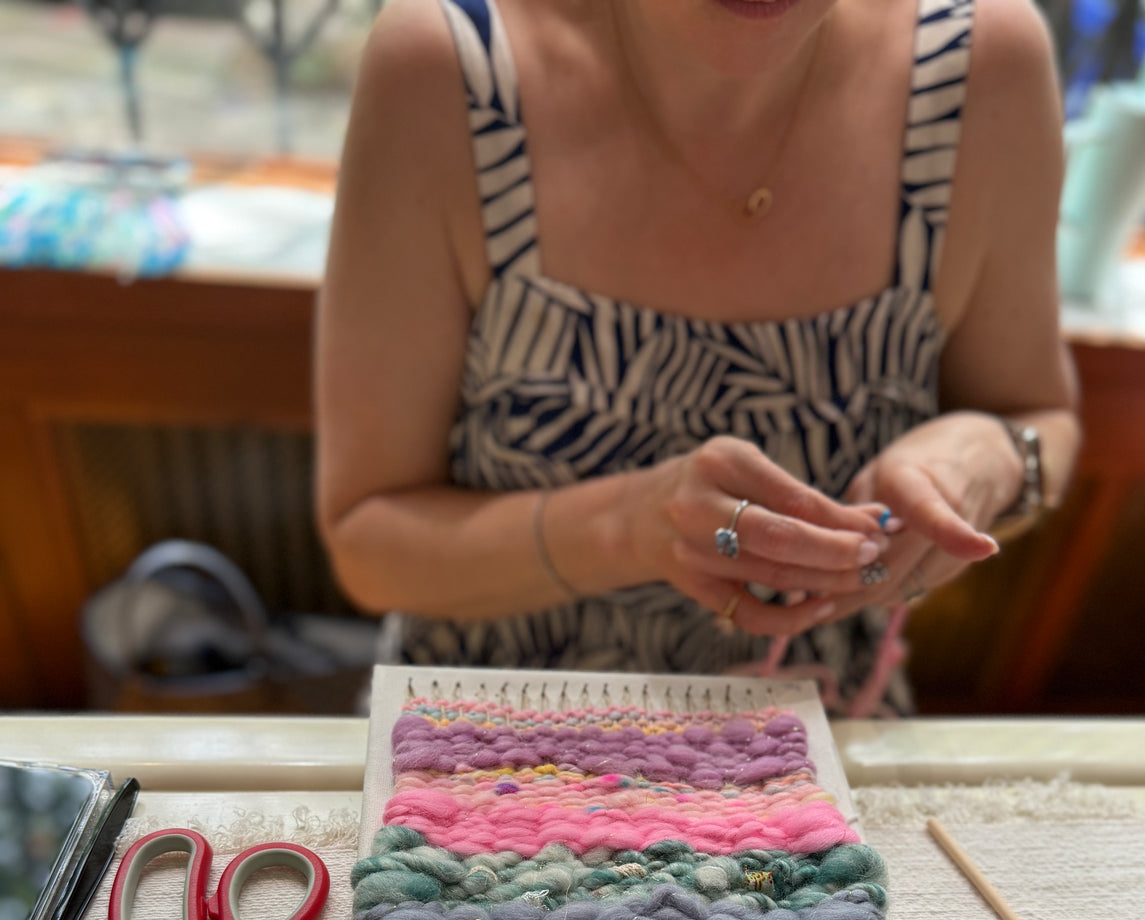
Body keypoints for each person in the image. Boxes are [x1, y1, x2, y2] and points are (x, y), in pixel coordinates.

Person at [315, 0, 1080, 709]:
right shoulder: (449, 65)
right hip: (481, 747)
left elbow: (1040, 418)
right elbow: (367, 544)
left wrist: (984, 458)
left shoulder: (982, 66)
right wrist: (628, 527)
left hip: (820, 741)